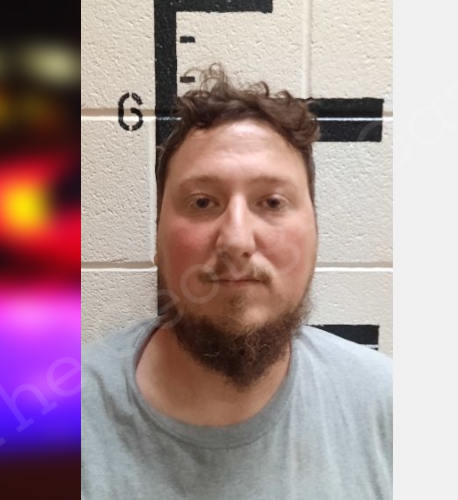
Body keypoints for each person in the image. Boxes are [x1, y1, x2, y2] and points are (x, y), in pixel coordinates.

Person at [81, 66, 392, 499]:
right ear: (157, 239)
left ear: (316, 233)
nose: (237, 241)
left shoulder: (389, 407)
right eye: (202, 202)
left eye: (272, 202)